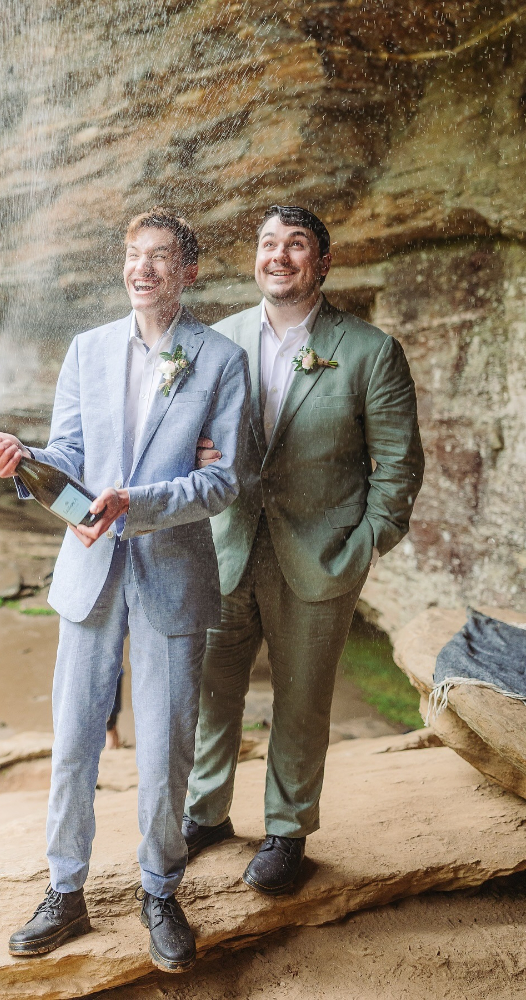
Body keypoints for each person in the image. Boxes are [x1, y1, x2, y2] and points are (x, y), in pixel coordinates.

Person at [0, 207, 249, 973]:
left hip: (174, 571)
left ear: (188, 271)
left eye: (161, 257)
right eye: (133, 255)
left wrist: (141, 501)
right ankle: (64, 892)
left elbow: (224, 479)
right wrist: (20, 456)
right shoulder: (86, 349)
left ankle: (160, 890)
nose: (143, 269)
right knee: (73, 740)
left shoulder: (220, 359)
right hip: (89, 569)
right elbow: (65, 452)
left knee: (166, 749)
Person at [184, 205, 424, 895]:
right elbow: (182, 435)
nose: (279, 256)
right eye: (267, 244)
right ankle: (204, 814)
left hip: (321, 556)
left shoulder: (370, 350)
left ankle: (287, 832)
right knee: (210, 692)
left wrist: (365, 543)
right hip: (223, 546)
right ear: (254, 257)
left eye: (296, 245)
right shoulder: (212, 340)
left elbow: (398, 468)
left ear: (324, 259)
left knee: (301, 700)